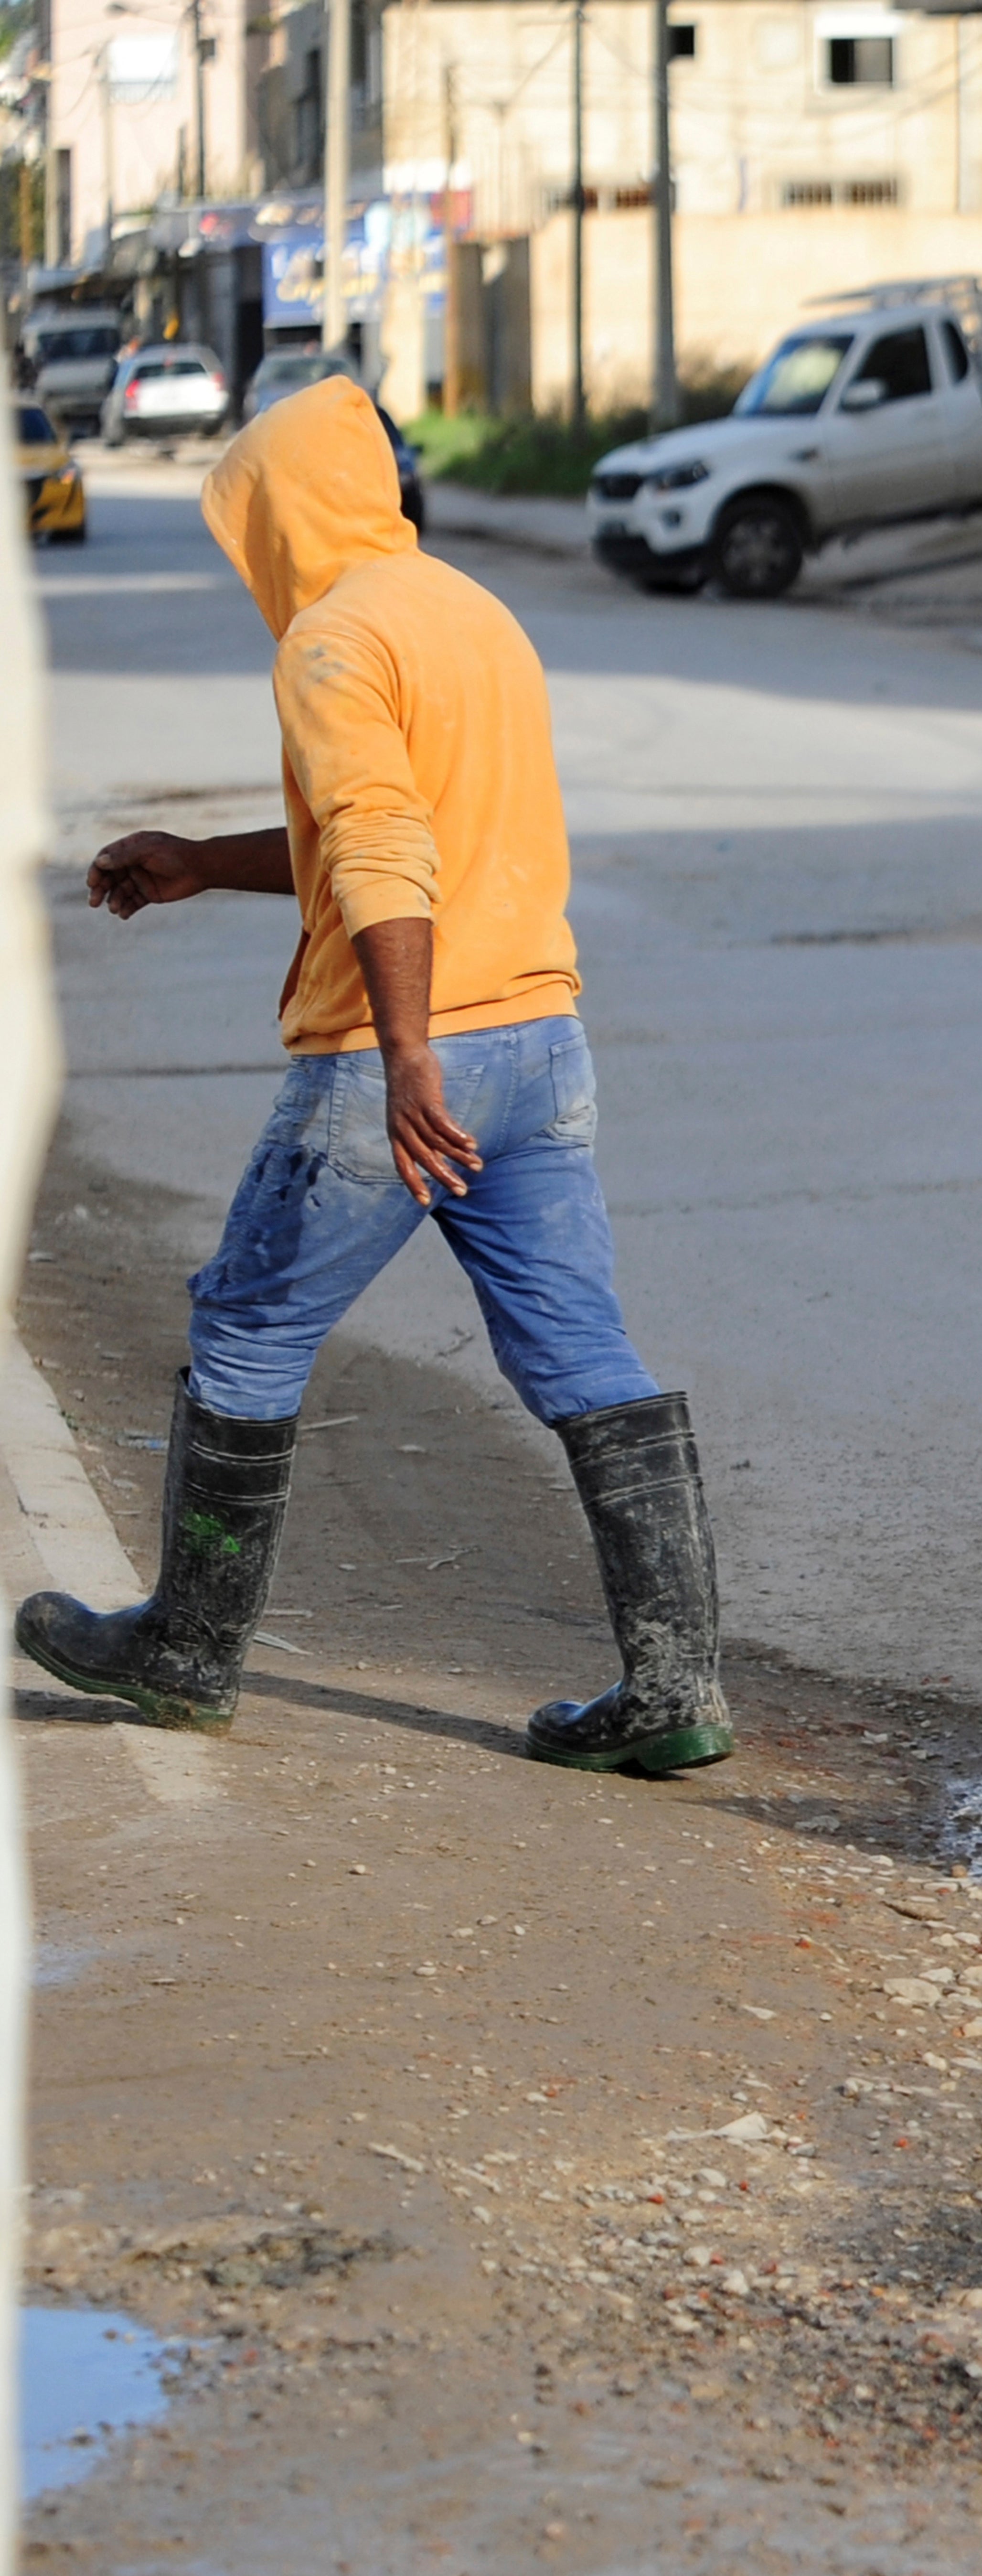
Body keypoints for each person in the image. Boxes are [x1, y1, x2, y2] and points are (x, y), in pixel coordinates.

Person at [18, 379, 736, 1777]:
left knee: (244, 1328)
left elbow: (388, 847)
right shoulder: (471, 612)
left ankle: (184, 1653)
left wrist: (407, 1056)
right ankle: (677, 1688)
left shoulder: (333, 639)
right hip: (542, 1042)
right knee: (586, 1356)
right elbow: (384, 834)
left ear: (284, 515)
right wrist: (203, 865)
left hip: (403, 1056)